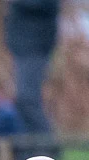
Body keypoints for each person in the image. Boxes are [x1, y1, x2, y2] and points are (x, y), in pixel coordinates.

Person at [4, 0, 59, 134]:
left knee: (27, 99)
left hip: (35, 45)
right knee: (23, 101)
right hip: (23, 47)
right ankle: (32, 142)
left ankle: (45, 143)